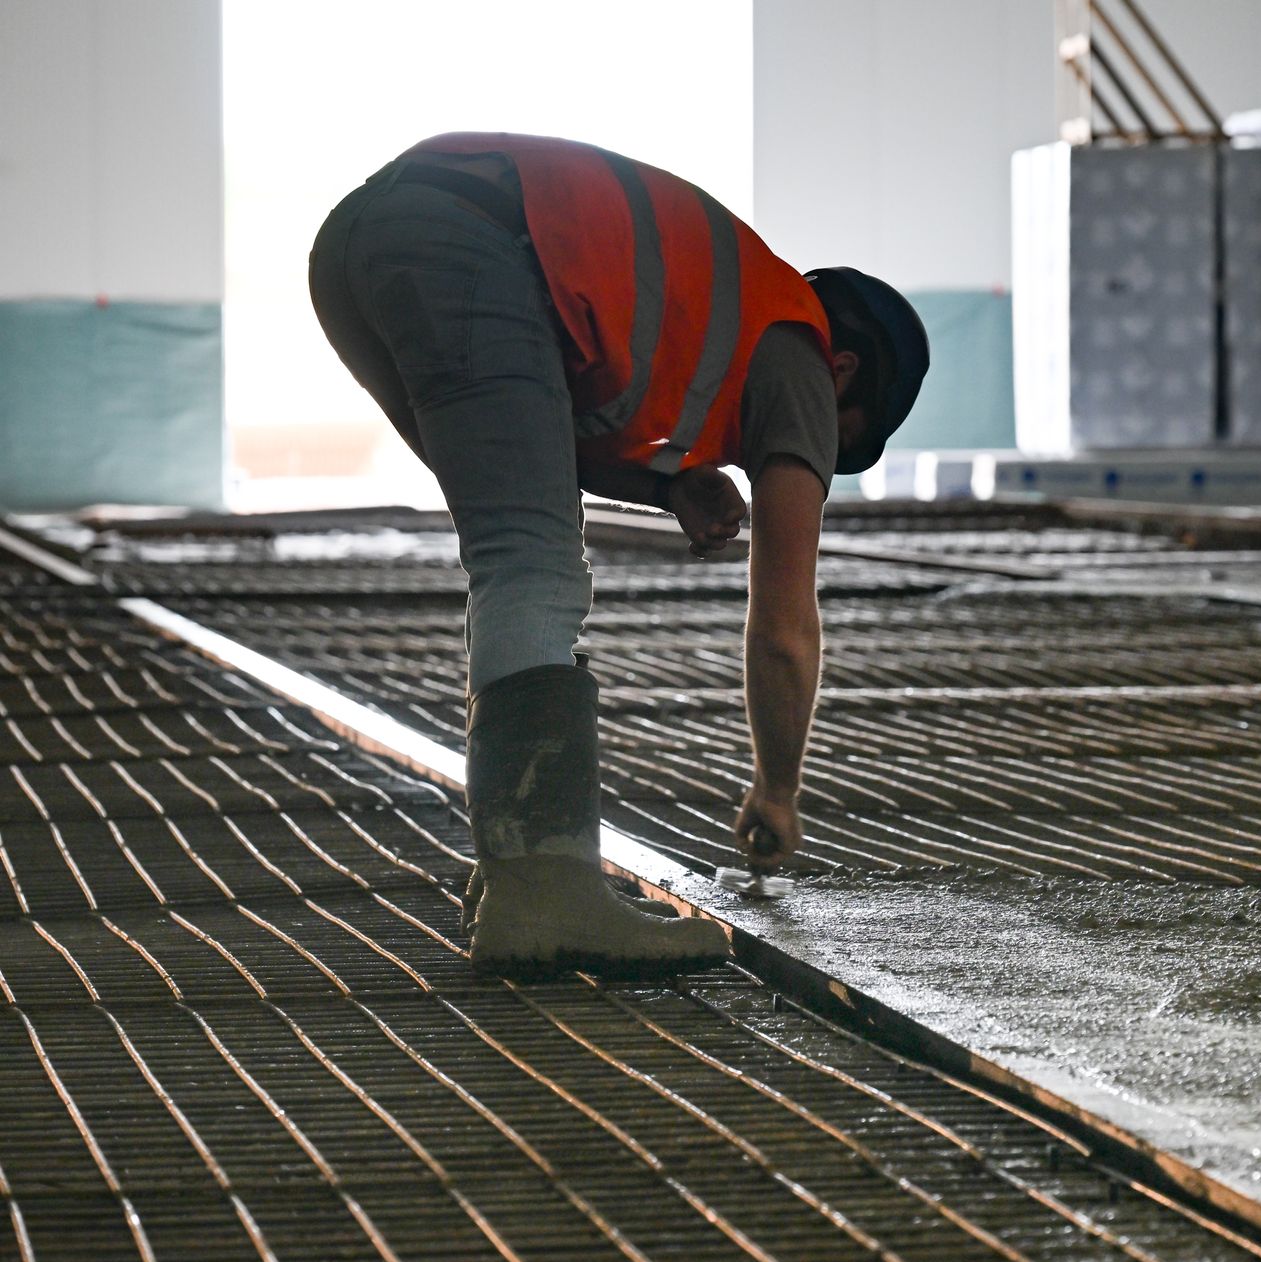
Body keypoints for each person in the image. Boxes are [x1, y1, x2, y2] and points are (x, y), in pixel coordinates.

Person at [309, 133, 929, 971]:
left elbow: (546, 433)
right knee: (531, 560)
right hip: (465, 236)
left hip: (362, 247)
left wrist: (666, 487)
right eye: (836, 441)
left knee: (516, 542)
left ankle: (519, 871)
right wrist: (777, 791)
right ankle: (543, 894)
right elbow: (784, 622)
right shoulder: (803, 355)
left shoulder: (727, 311)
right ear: (844, 371)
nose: (804, 454)